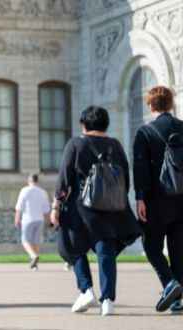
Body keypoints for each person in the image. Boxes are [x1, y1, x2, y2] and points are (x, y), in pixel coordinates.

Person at [50, 106, 141, 316]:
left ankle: (86, 290)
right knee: (106, 253)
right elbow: (125, 179)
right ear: (105, 124)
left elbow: (64, 179)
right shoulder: (116, 145)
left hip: (79, 208)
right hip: (109, 209)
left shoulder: (75, 144)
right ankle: (108, 300)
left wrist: (56, 206)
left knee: (72, 247)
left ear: (84, 123)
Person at [132, 85, 183, 313]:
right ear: (170, 104)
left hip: (156, 199)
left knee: (151, 246)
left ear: (151, 105)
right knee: (178, 249)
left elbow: (140, 167)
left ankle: (169, 283)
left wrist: (140, 198)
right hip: (181, 199)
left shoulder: (145, 132)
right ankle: (177, 300)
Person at [15, 173, 51, 271]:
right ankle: (35, 265)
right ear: (37, 181)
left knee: (25, 241)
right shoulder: (43, 192)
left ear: (29, 181)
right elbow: (46, 209)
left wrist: (17, 218)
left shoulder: (25, 190)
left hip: (28, 219)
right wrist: (48, 221)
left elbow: (19, 206)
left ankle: (33, 256)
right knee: (36, 242)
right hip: (39, 220)